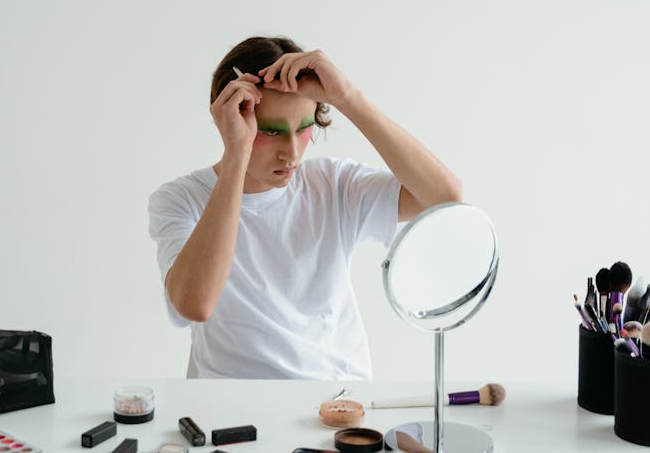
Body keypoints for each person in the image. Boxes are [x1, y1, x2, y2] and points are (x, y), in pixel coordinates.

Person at [147, 36, 461, 379]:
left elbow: (446, 198)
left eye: (304, 129)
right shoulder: (182, 199)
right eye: (270, 131)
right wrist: (237, 154)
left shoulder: (334, 184)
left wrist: (347, 97)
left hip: (336, 399)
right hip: (231, 406)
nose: (292, 154)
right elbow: (196, 304)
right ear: (230, 119)